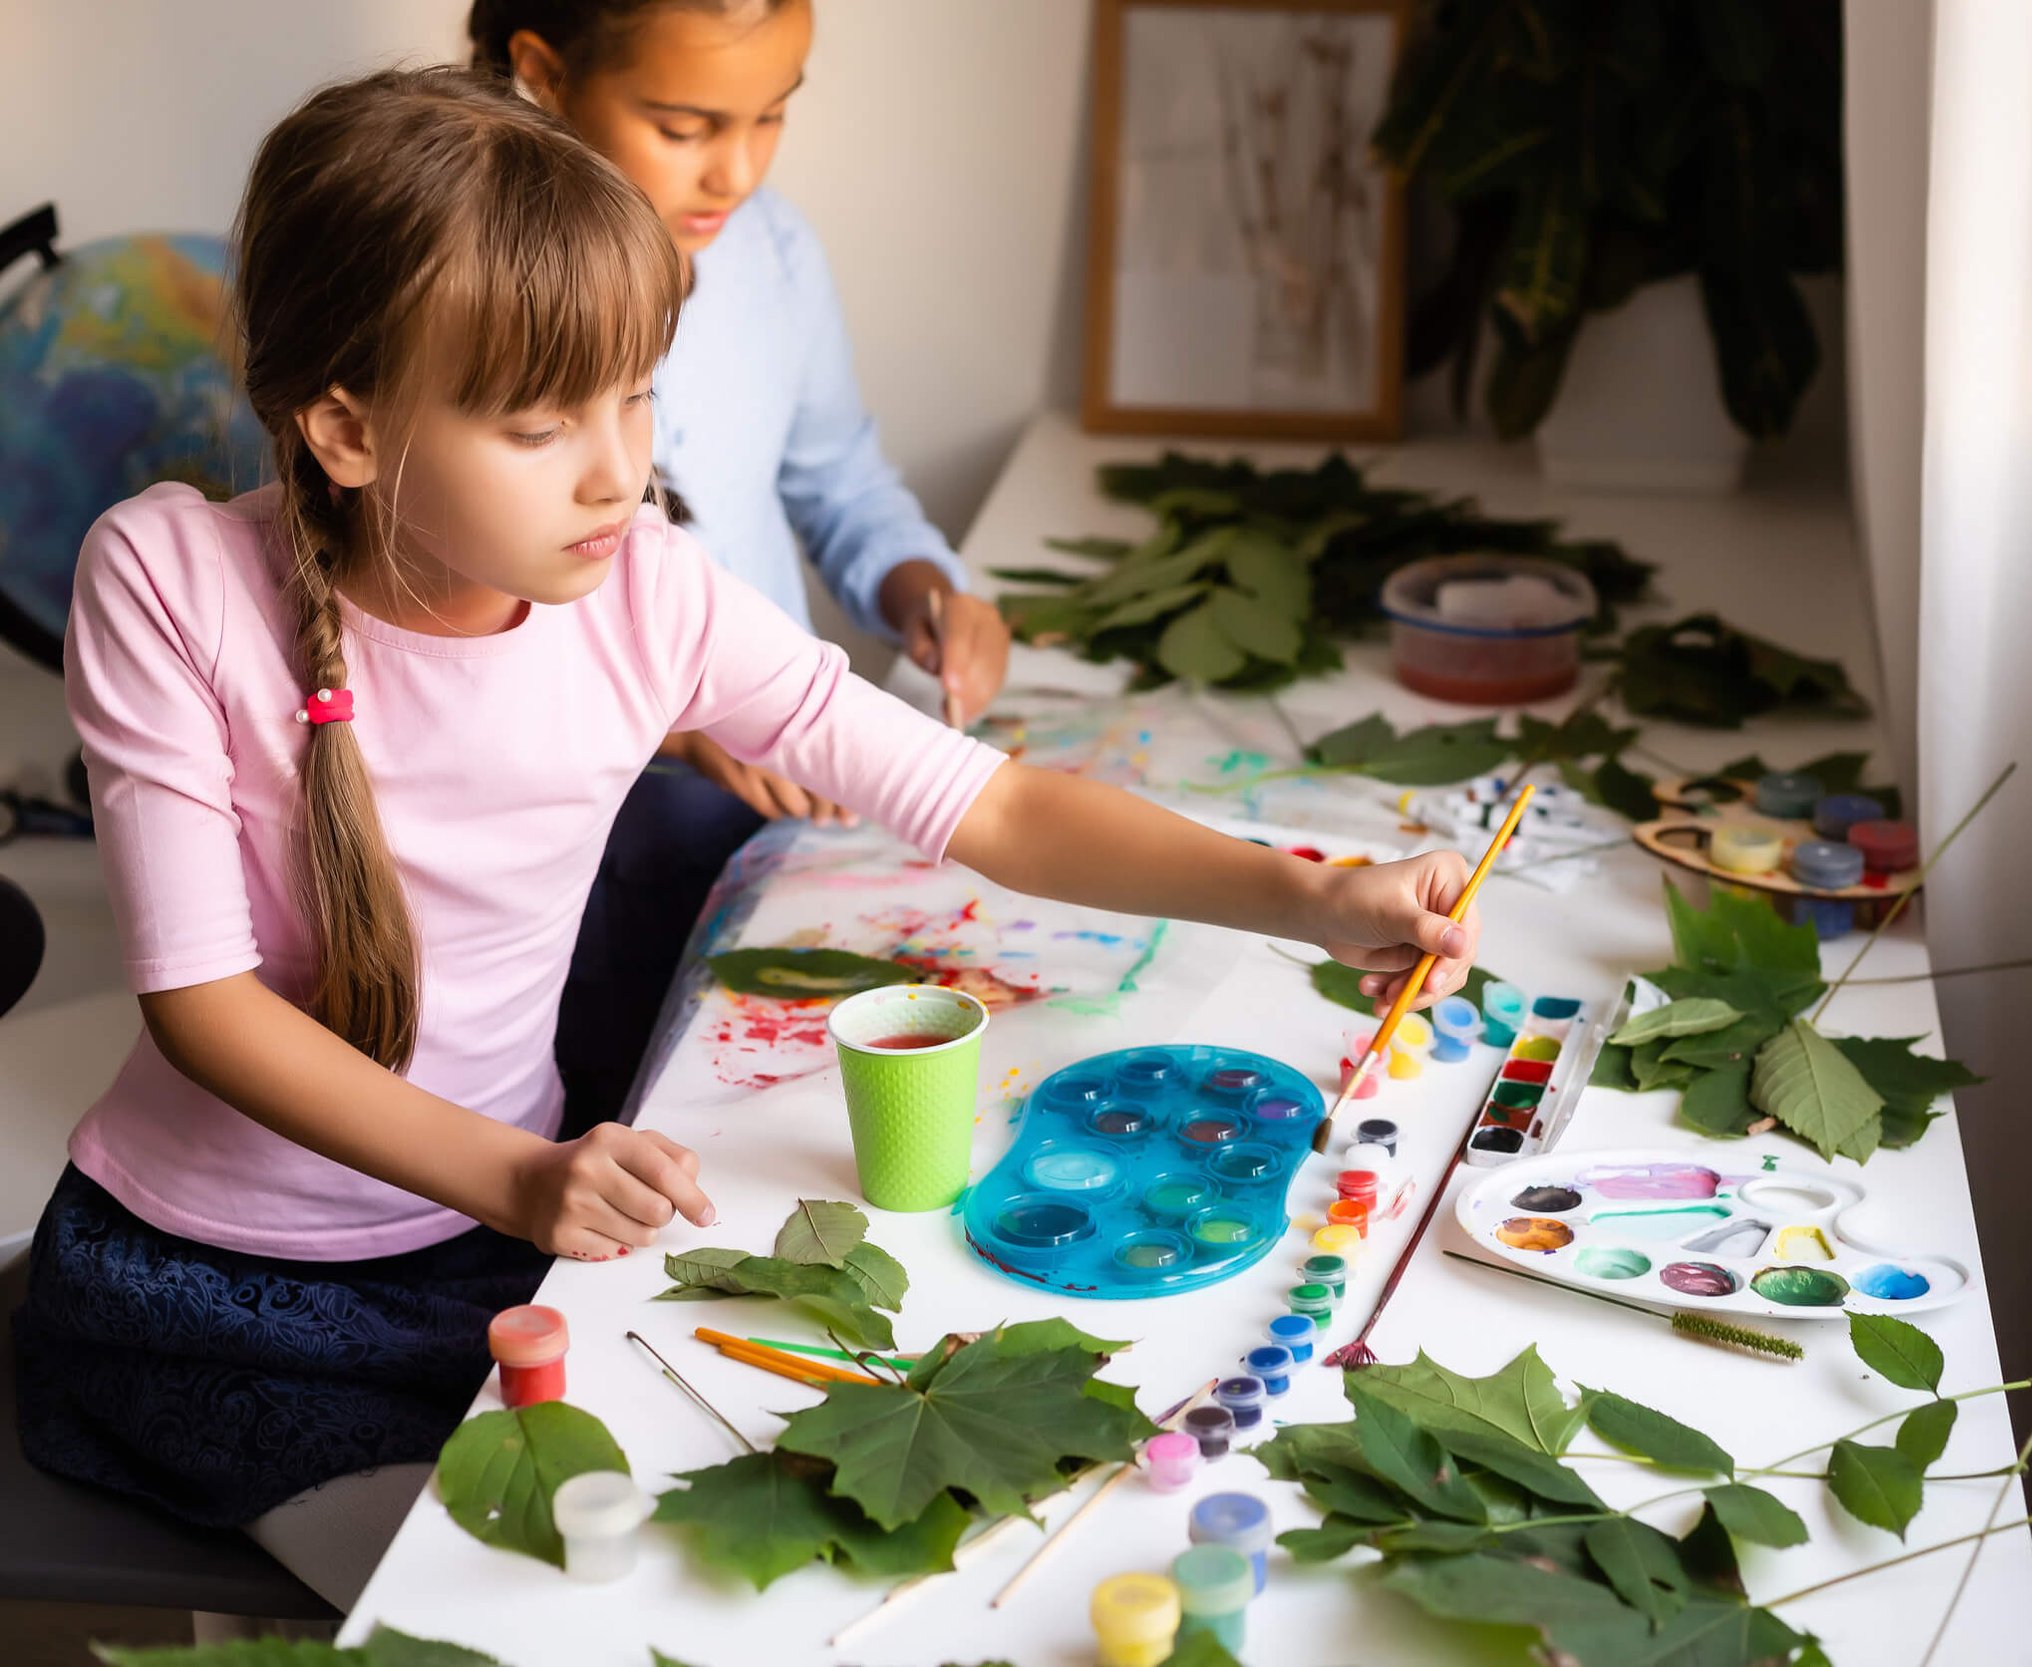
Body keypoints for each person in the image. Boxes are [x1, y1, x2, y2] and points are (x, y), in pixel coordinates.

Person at [12, 68, 1476, 1611]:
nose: (615, 468)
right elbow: (203, 1002)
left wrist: (1310, 899)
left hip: (502, 1246)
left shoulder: (650, 585)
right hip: (216, 1287)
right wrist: (517, 1176)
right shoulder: (169, 574)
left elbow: (996, 801)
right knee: (491, 1601)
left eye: (636, 394)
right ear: (347, 429)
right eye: (538, 422)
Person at [465, 0, 1017, 1126]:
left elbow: (834, 475)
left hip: (778, 796)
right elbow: (431, 609)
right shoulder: (459, 284)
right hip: (580, 838)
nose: (736, 168)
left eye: (770, 117)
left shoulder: (768, 250)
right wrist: (672, 716)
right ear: (545, 71)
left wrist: (923, 582)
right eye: (684, 126)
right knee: (622, 1114)